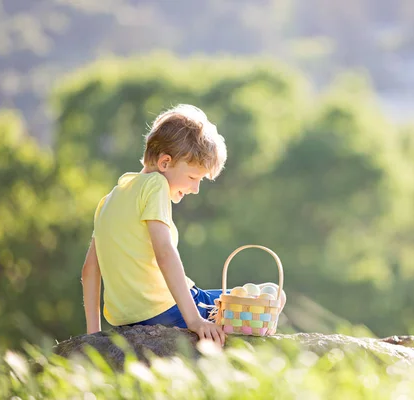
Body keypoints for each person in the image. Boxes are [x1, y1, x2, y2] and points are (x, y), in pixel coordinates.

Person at [80, 104, 284, 347]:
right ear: (165, 163)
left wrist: (93, 336)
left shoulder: (109, 200)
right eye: (192, 178)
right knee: (273, 293)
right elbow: (165, 252)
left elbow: (90, 270)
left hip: (126, 320)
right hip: (170, 309)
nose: (195, 189)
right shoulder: (155, 185)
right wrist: (195, 320)